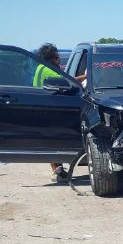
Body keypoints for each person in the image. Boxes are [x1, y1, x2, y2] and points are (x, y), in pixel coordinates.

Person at [33, 43, 86, 182]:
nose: (59, 60)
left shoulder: (39, 68)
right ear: (49, 58)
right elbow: (68, 81)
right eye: (56, 57)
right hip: (49, 107)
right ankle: (58, 171)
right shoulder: (48, 69)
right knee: (54, 139)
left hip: (41, 106)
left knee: (50, 140)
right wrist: (86, 76)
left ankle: (58, 171)